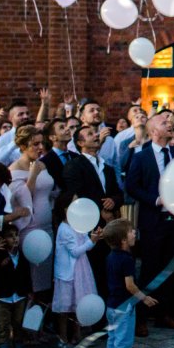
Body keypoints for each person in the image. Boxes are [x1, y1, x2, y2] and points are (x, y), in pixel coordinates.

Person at [125, 112, 174, 333]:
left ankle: (165, 313)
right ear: (153, 131)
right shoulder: (141, 157)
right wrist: (155, 200)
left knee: (172, 268)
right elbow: (132, 186)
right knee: (150, 268)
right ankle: (142, 317)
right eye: (164, 123)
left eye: (170, 122)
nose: (170, 124)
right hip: (153, 220)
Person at [62, 124, 123, 297]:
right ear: (80, 143)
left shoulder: (107, 167)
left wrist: (113, 201)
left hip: (109, 224)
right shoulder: (74, 166)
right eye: (90, 134)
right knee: (94, 269)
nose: (96, 135)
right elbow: (78, 194)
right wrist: (101, 208)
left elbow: (118, 193)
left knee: (111, 269)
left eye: (95, 133)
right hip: (89, 226)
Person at [102, 219, 157, 348]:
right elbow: (130, 285)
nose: (134, 233)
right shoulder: (127, 259)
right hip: (123, 307)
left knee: (113, 337)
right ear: (123, 240)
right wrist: (144, 298)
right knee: (123, 340)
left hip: (111, 305)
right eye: (131, 231)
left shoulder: (111, 257)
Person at [7, 126, 55, 295]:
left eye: (42, 143)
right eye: (35, 144)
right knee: (32, 275)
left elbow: (48, 190)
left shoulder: (42, 164)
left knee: (46, 273)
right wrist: (32, 175)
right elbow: (23, 198)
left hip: (47, 226)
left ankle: (43, 304)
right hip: (29, 227)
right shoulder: (14, 169)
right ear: (23, 146)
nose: (40, 148)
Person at [0, 224, 33, 348]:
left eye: (16, 235)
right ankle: (3, 343)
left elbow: (26, 274)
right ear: (4, 239)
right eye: (11, 236)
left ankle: (18, 342)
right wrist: (0, 265)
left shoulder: (22, 254)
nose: (15, 239)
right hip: (3, 295)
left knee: (18, 320)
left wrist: (29, 290)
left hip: (19, 294)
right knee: (3, 322)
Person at [51, 217, 100, 348]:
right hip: (67, 272)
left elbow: (87, 246)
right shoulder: (64, 229)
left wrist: (94, 238)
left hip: (80, 269)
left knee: (79, 303)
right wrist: (91, 241)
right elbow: (74, 252)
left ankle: (77, 335)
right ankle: (63, 338)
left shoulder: (78, 225)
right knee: (65, 307)